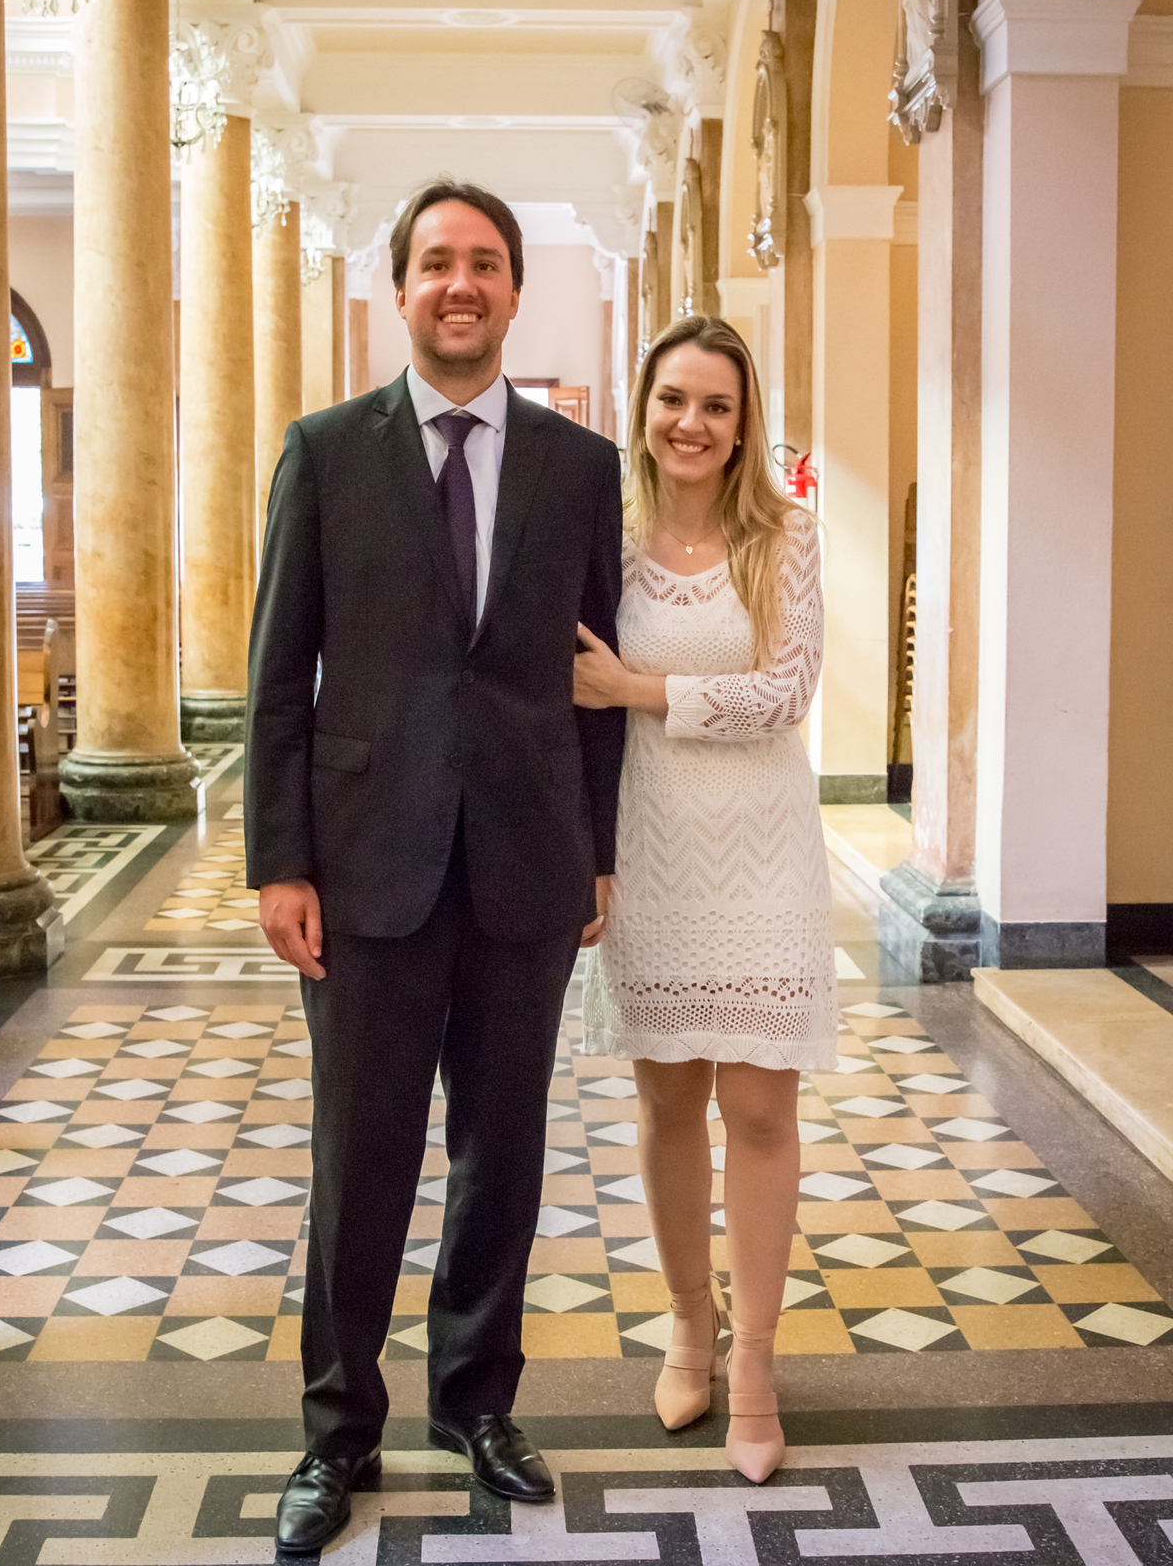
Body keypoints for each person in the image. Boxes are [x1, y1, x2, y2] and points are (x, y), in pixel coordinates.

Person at [246, 179, 625, 1553]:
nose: (459, 286)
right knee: (361, 1158)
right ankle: (335, 1433)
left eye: (483, 264)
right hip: (365, 869)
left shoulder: (580, 470)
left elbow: (589, 682)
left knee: (501, 1153)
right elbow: (278, 674)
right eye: (434, 265)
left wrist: (600, 852)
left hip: (527, 864)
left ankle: (477, 1403)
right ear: (396, 291)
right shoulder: (326, 452)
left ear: (516, 290)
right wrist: (279, 859)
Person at [574, 313, 836, 1485]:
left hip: (764, 851)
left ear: (744, 425)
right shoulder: (606, 541)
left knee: (763, 1111)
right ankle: (690, 1325)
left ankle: (761, 1363)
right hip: (653, 845)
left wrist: (636, 684)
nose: (691, 422)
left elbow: (783, 693)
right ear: (643, 409)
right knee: (669, 1102)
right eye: (673, 398)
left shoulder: (785, 539)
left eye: (716, 406)